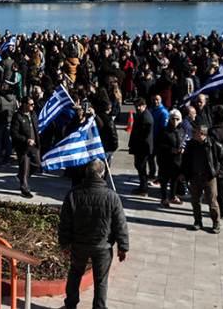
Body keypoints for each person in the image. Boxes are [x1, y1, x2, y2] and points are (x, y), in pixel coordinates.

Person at [58, 159, 130, 309]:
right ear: (103, 175)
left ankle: (70, 305)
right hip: (102, 247)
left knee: (75, 274)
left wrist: (64, 243)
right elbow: (120, 224)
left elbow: (65, 223)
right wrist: (123, 248)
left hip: (79, 245)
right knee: (101, 281)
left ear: (86, 173)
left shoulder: (73, 194)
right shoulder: (112, 197)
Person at [179, 124, 223, 233]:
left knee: (212, 202)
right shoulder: (191, 144)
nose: (192, 134)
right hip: (195, 177)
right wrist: (183, 173)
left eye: (194, 132)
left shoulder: (214, 145)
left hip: (209, 178)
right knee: (195, 201)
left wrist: (217, 173)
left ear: (202, 133)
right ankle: (197, 221)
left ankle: (216, 223)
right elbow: (185, 160)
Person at [10, 96, 40, 198]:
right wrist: (26, 140)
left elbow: (36, 128)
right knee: (24, 168)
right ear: (25, 105)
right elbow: (14, 133)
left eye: (33, 104)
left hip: (34, 145)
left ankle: (22, 177)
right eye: (31, 104)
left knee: (37, 164)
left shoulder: (33, 114)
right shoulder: (18, 116)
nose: (33, 106)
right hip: (22, 147)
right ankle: (25, 189)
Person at [156, 109, 185, 208]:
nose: (175, 121)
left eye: (177, 119)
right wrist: (169, 150)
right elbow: (159, 145)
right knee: (164, 180)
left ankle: (172, 195)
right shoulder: (164, 131)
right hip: (166, 160)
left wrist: (182, 150)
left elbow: (184, 142)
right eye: (173, 119)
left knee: (175, 179)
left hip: (177, 160)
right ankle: (164, 198)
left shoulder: (181, 130)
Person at [128, 97, 153, 196]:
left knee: (141, 167)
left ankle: (144, 189)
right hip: (140, 147)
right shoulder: (141, 115)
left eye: (140, 106)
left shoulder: (145, 118)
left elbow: (143, 135)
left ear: (144, 106)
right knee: (139, 167)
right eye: (136, 106)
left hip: (142, 148)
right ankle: (142, 187)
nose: (137, 108)